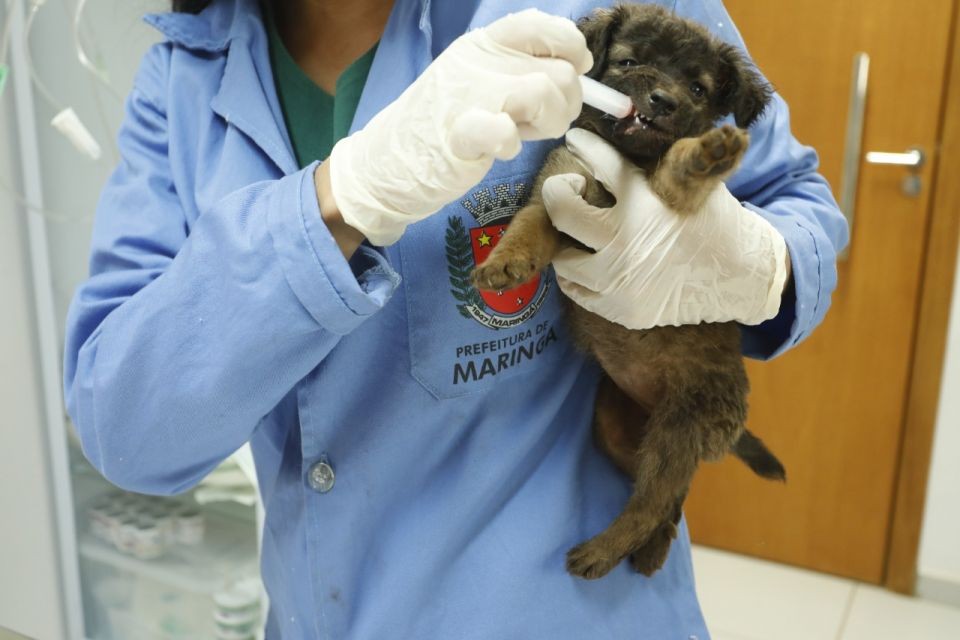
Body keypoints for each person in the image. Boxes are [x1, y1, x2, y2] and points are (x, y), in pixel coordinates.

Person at [62, 0, 847, 637]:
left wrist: (751, 262)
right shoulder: (181, 77)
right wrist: (342, 195)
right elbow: (127, 427)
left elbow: (800, 213)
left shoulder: (598, 10)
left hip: (570, 613)